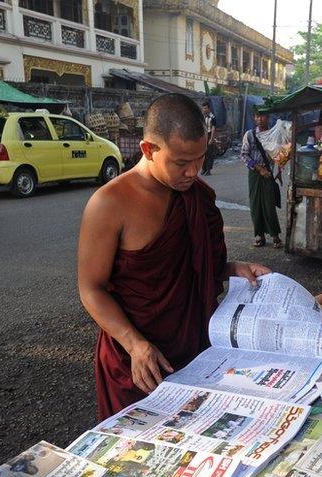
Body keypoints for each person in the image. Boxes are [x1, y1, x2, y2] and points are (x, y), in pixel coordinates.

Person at [78, 93, 270, 420]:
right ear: (148, 150)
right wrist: (134, 344)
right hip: (137, 361)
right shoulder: (109, 204)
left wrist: (231, 268)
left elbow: (193, 265)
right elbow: (91, 288)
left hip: (195, 348)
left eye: (200, 159)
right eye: (181, 162)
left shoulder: (198, 197)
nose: (193, 172)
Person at [240, 109, 282, 248]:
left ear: (268, 117)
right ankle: (260, 235)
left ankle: (275, 234)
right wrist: (259, 168)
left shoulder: (273, 134)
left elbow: (280, 153)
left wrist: (280, 169)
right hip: (255, 174)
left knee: (269, 204)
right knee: (256, 205)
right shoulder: (250, 135)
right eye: (257, 116)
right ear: (254, 118)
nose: (260, 119)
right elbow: (244, 155)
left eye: (262, 116)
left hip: (269, 173)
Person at [200, 101, 217, 176]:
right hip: (204, 135)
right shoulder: (202, 116)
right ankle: (203, 168)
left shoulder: (212, 117)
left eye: (205, 108)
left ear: (209, 109)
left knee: (209, 153)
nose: (203, 109)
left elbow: (213, 128)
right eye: (203, 108)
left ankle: (208, 169)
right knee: (203, 153)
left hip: (210, 135)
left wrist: (211, 139)